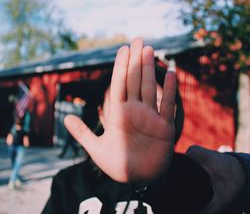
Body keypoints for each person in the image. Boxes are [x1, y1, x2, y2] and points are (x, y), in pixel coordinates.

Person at [43, 38, 250, 214]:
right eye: (122, 105)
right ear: (101, 114)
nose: (135, 122)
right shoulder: (69, 183)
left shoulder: (190, 177)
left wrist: (239, 172)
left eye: (153, 105)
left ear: (172, 115)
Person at [6, 110, 31, 189]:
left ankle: (14, 179)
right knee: (17, 165)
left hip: (12, 147)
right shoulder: (24, 131)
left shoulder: (12, 130)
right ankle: (13, 180)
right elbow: (26, 143)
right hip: (20, 148)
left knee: (14, 165)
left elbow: (8, 141)